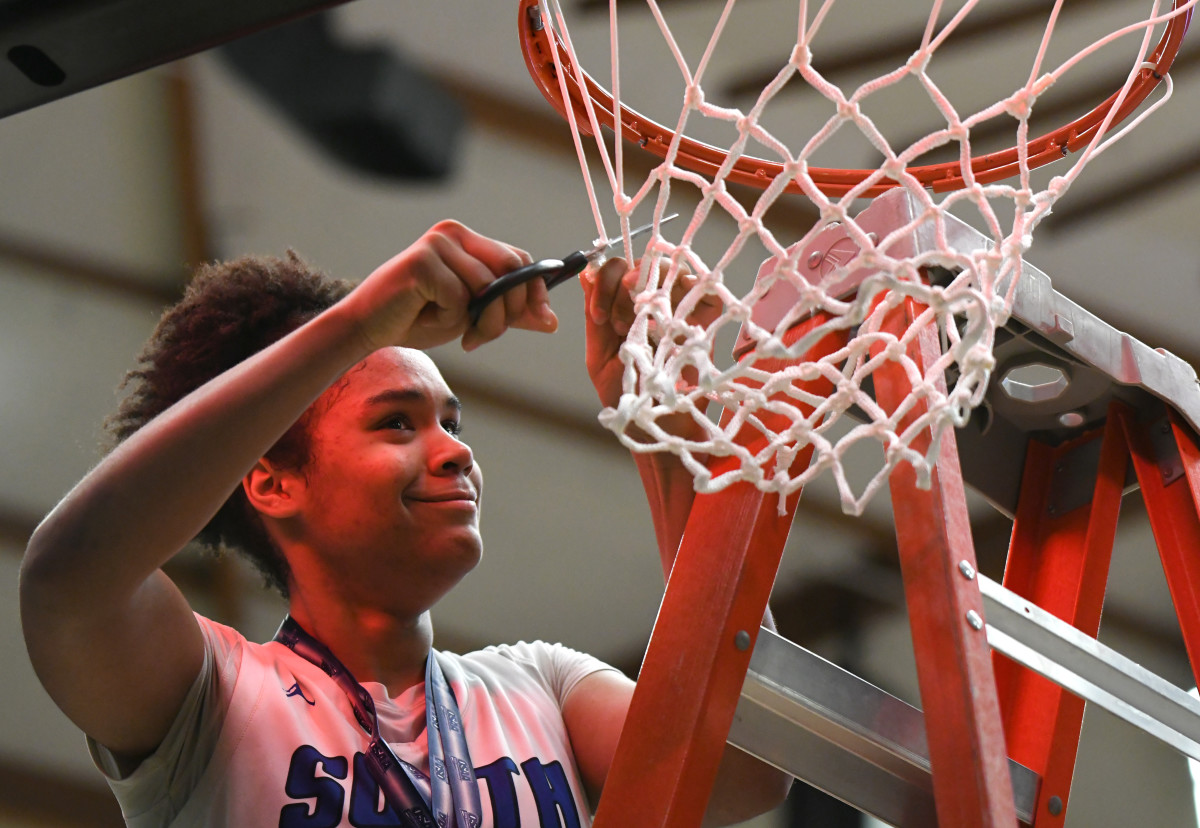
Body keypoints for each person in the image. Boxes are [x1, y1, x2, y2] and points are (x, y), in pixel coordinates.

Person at [19, 221, 790, 827]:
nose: (454, 450)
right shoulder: (212, 698)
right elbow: (67, 584)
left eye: (452, 422)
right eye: (396, 424)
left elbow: (754, 761)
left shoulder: (541, 687)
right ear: (272, 480)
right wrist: (358, 323)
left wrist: (671, 436)